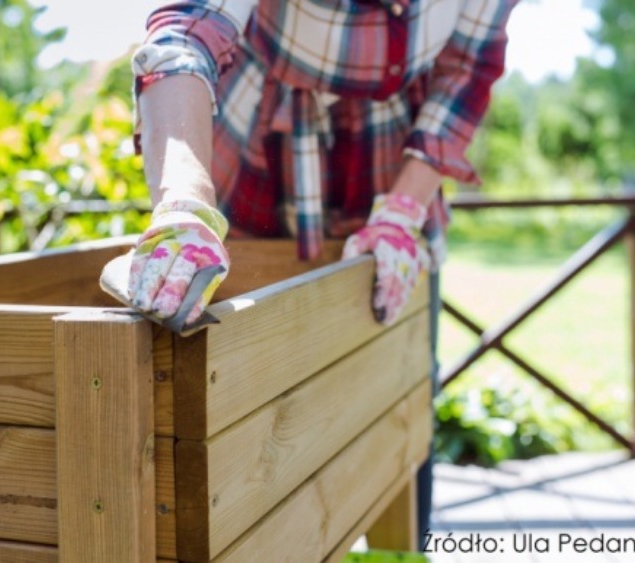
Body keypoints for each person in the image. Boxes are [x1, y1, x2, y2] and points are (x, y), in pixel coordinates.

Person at [101, 0, 517, 548]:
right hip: (261, 147)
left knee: (402, 388)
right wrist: (184, 201)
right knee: (250, 411)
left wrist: (401, 214)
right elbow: (185, 36)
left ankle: (398, 554)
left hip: (394, 159)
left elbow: (466, 72)